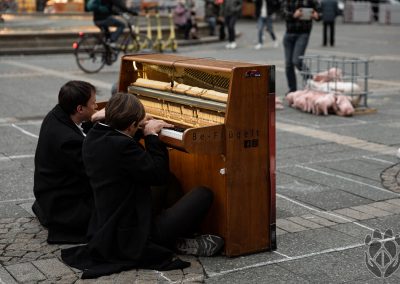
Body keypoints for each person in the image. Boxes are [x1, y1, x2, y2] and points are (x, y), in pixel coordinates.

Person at [61, 92, 224, 279]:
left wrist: (139, 126)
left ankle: (176, 233)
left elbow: (123, 139)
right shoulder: (123, 147)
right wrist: (151, 135)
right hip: (132, 235)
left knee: (171, 181)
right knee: (203, 194)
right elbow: (158, 174)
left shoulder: (94, 135)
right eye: (136, 124)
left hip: (110, 220)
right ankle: (171, 241)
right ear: (130, 125)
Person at [32, 80, 104, 244]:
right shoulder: (67, 139)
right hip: (65, 206)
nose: (97, 107)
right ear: (79, 109)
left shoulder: (56, 115)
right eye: (93, 104)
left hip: (50, 192)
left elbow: (82, 131)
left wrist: (94, 119)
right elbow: (93, 171)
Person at [282, 0, 320, 93]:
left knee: (297, 61)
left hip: (303, 34)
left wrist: (317, 16)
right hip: (289, 33)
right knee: (288, 64)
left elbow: (320, 13)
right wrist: (294, 15)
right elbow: (283, 13)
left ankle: (311, 81)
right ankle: (292, 89)